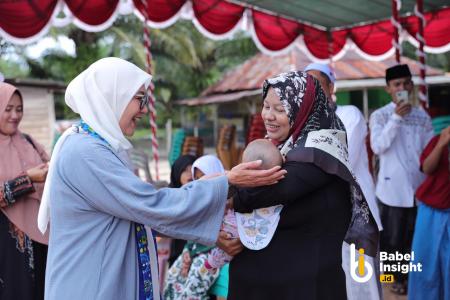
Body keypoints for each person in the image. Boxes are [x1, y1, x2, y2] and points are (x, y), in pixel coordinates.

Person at [37, 57, 286, 300]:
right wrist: (228, 180)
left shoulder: (99, 145)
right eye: (139, 99)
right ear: (113, 96)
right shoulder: (86, 152)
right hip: (91, 283)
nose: (144, 109)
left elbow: (138, 209)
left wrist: (222, 185)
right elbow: (149, 205)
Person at [228, 71, 379, 300]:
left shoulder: (318, 152)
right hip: (280, 282)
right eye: (266, 106)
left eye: (280, 109)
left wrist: (224, 187)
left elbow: (258, 193)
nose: (268, 116)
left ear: (303, 109)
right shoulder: (283, 147)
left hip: (306, 286)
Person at [305, 63, 383, 300]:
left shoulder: (350, 115)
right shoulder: (303, 124)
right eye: (307, 85)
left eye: (317, 83)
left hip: (358, 219)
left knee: (362, 285)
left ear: (331, 86)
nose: (313, 90)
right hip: (325, 218)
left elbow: (340, 160)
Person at [369, 64, 434, 294]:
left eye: (406, 83)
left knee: (414, 240)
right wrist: (396, 118)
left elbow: (429, 152)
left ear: (412, 85)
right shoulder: (380, 115)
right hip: (391, 192)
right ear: (388, 89)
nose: (402, 87)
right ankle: (389, 283)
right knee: (392, 242)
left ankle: (410, 281)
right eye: (397, 84)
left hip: (419, 191)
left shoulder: (421, 116)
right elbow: (377, 147)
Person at [0, 82, 49, 300]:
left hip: (41, 237)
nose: (14, 115)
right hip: (7, 246)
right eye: (7, 108)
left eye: (19, 109)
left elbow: (50, 165)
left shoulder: (28, 141)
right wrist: (27, 179)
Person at [164, 154, 227, 300]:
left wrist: (192, 254)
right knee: (172, 279)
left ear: (216, 173)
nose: (200, 182)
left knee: (191, 292)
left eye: (204, 176)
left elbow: (218, 237)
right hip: (194, 250)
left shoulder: (225, 202)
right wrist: (187, 251)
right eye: (197, 178)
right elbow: (195, 232)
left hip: (211, 254)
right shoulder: (201, 202)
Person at [408, 126, 450, 300]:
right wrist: (441, 144)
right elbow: (426, 168)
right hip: (431, 211)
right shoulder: (438, 139)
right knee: (424, 265)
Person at [167, 154, 197, 267]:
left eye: (192, 170)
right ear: (177, 173)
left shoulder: (204, 196)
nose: (189, 174)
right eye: (185, 170)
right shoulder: (169, 196)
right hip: (179, 252)